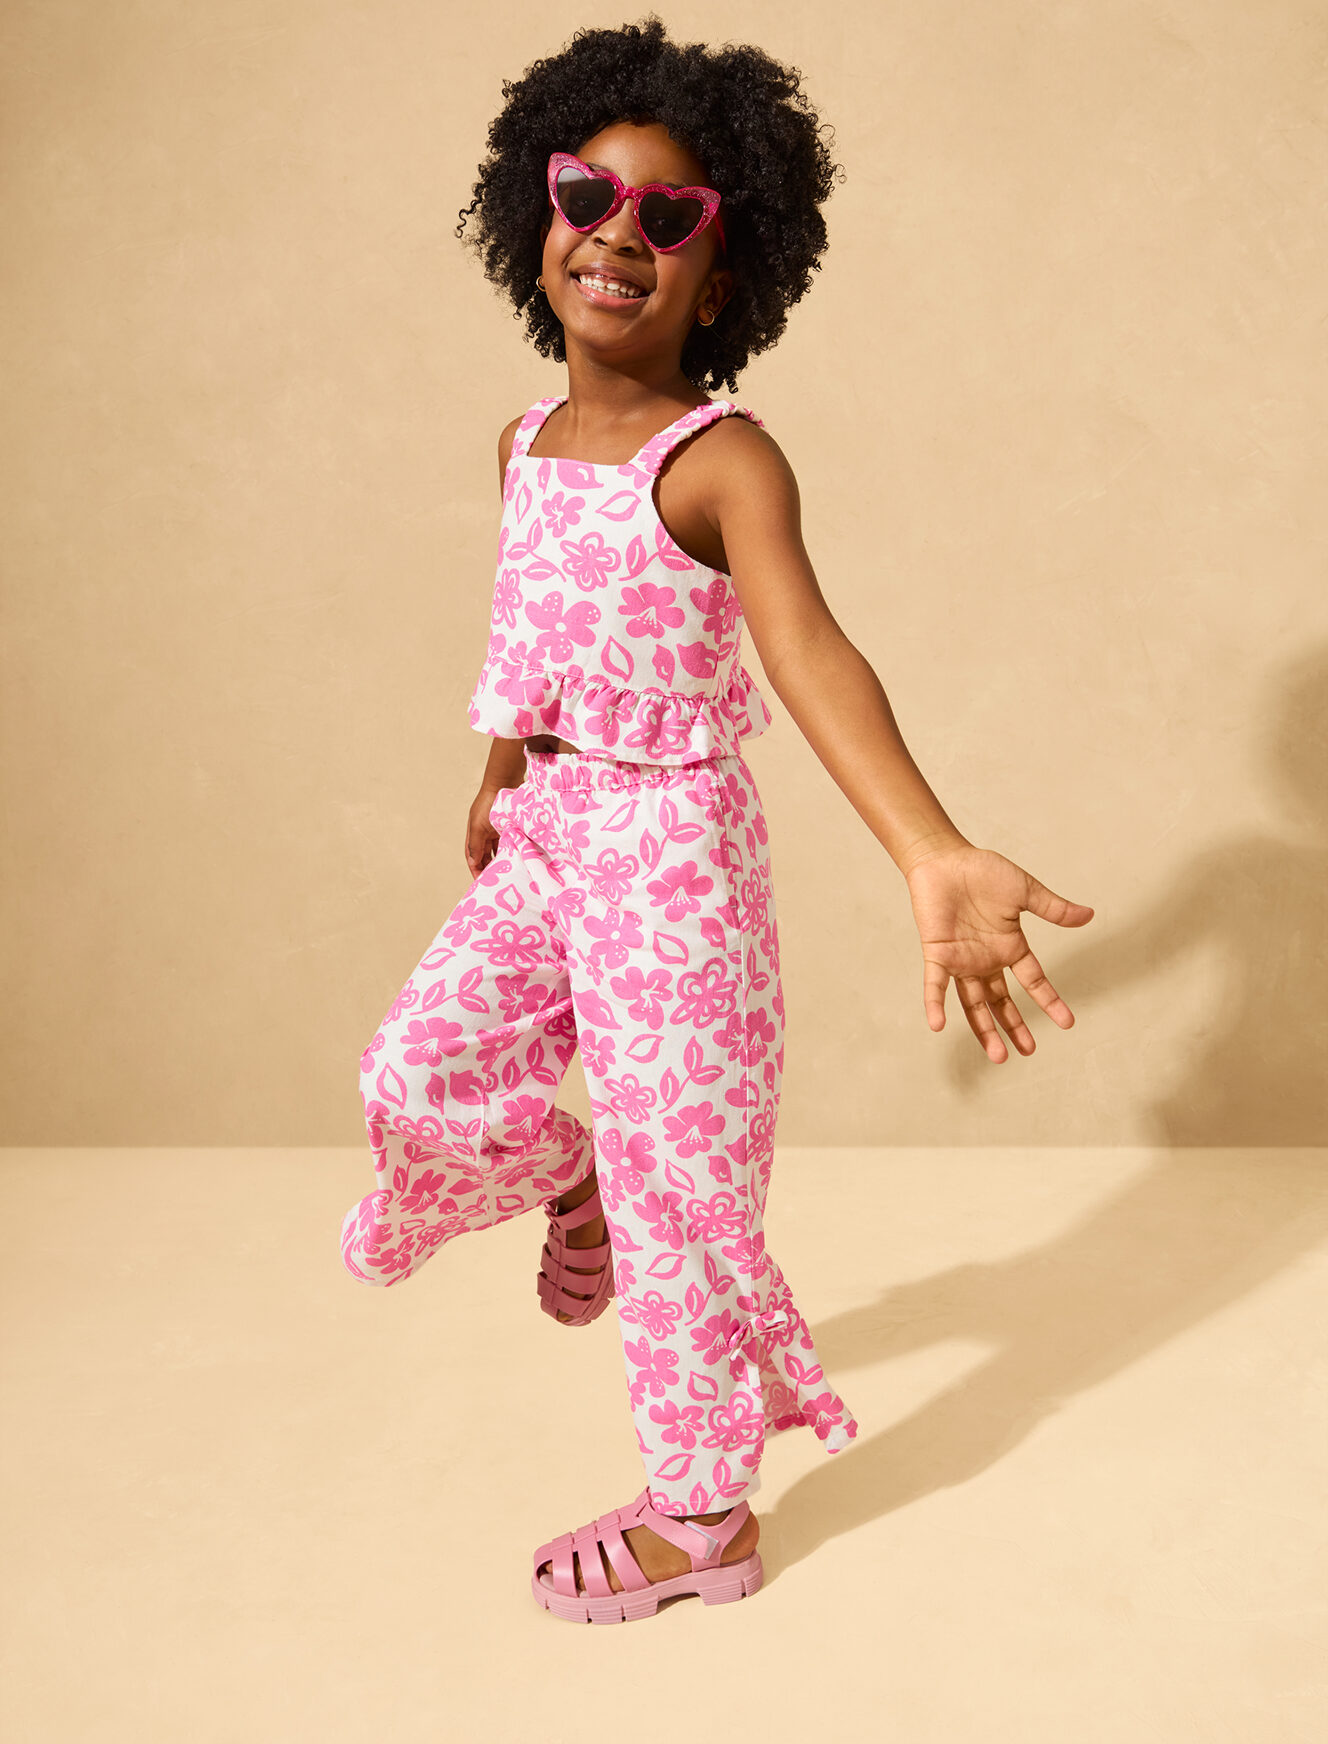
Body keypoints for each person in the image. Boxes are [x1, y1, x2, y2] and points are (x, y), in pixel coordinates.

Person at [339, 16, 1094, 1625]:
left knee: (686, 1193)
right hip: (552, 830)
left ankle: (701, 1518)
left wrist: (929, 846)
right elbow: (535, 630)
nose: (619, 233)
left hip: (674, 859)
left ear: (723, 274)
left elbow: (809, 652)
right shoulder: (522, 442)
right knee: (412, 1074)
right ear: (533, 213)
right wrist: (498, 773)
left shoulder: (723, 459)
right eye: (586, 195)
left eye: (670, 215)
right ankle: (573, 1176)